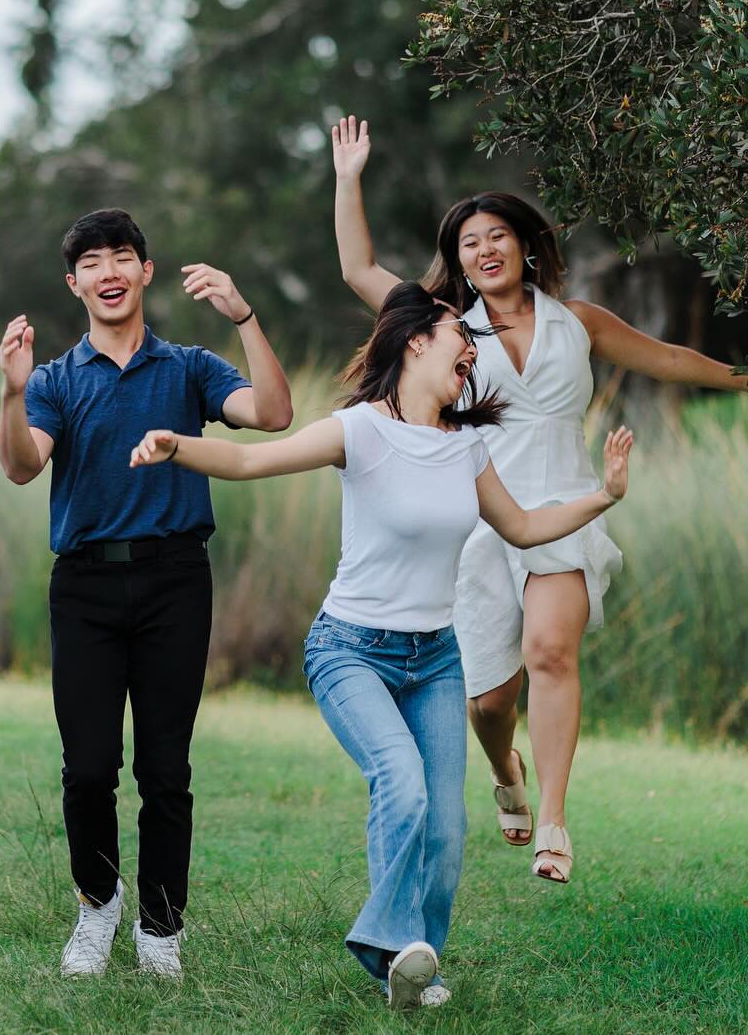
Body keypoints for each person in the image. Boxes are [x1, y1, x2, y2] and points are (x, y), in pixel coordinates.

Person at [130, 282, 634, 1008]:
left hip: (434, 657)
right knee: (401, 781)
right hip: (351, 650)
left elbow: (522, 528)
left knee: (448, 826)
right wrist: (178, 446)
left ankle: (417, 966)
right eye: (460, 335)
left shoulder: (467, 448)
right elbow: (247, 463)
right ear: (415, 341)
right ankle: (388, 944)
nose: (471, 349)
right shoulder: (358, 431)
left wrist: (604, 498)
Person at [332, 116, 745, 883]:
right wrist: (349, 175)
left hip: (564, 507)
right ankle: (508, 775)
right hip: (478, 516)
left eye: (496, 237)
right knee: (489, 702)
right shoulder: (444, 329)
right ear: (457, 262)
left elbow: (669, 358)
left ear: (526, 247)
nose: (483, 251)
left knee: (551, 652)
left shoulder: (577, 322)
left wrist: (741, 377)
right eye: (468, 244)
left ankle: (553, 822)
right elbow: (359, 268)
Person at [0, 208, 294, 979]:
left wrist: (245, 317)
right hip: (86, 586)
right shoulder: (58, 380)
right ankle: (99, 905)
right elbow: (24, 466)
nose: (109, 271)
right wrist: (11, 393)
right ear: (75, 284)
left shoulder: (189, 366)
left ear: (145, 271)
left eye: (122, 256)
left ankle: (161, 928)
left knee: (167, 768)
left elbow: (273, 415)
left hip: (173, 581)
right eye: (92, 262)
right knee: (88, 767)